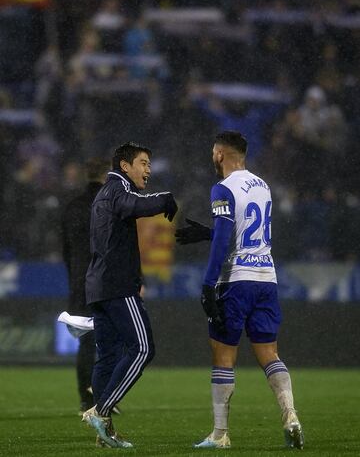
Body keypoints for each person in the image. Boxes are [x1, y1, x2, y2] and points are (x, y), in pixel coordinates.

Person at [175, 131, 304, 450]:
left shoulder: (222, 188)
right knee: (269, 353)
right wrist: (208, 231)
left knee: (223, 355)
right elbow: (246, 229)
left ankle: (220, 434)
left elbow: (224, 239)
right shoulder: (262, 185)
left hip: (235, 280)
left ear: (220, 154)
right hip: (266, 278)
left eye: (212, 153)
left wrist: (207, 284)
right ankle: (290, 416)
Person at [82, 141, 178, 449]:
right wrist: (165, 199)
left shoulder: (103, 194)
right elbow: (134, 206)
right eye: (143, 163)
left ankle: (104, 433)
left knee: (107, 358)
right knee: (142, 349)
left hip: (99, 286)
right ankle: (101, 410)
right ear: (125, 166)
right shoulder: (116, 191)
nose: (148, 169)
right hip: (116, 286)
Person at [62, 157, 111, 414]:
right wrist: (137, 278)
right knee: (111, 340)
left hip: (80, 280)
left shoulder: (72, 207)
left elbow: (66, 250)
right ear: (107, 175)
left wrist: (74, 276)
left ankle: (86, 400)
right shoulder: (109, 203)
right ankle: (105, 397)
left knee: (85, 342)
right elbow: (121, 245)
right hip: (107, 279)